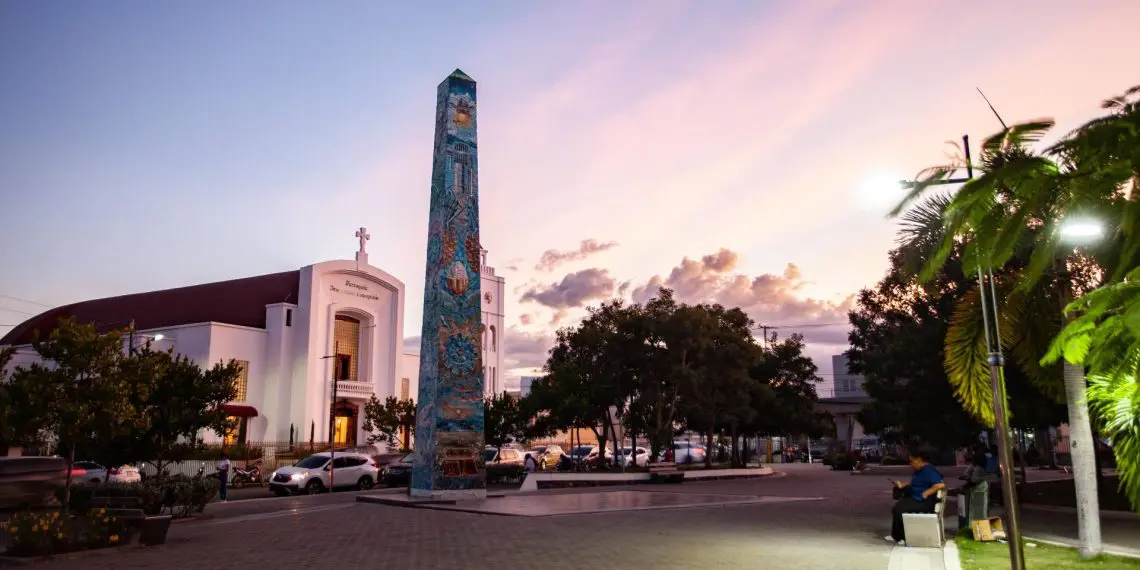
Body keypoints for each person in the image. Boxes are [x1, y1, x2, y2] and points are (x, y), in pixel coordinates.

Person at [885, 448, 946, 545]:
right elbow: (918, 484)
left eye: (912, 461)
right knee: (898, 507)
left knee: (899, 509)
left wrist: (926, 493)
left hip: (923, 501)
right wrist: (903, 485)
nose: (911, 464)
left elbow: (940, 485)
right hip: (916, 497)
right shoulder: (920, 471)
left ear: (920, 460)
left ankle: (901, 536)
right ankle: (897, 535)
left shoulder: (929, 471)